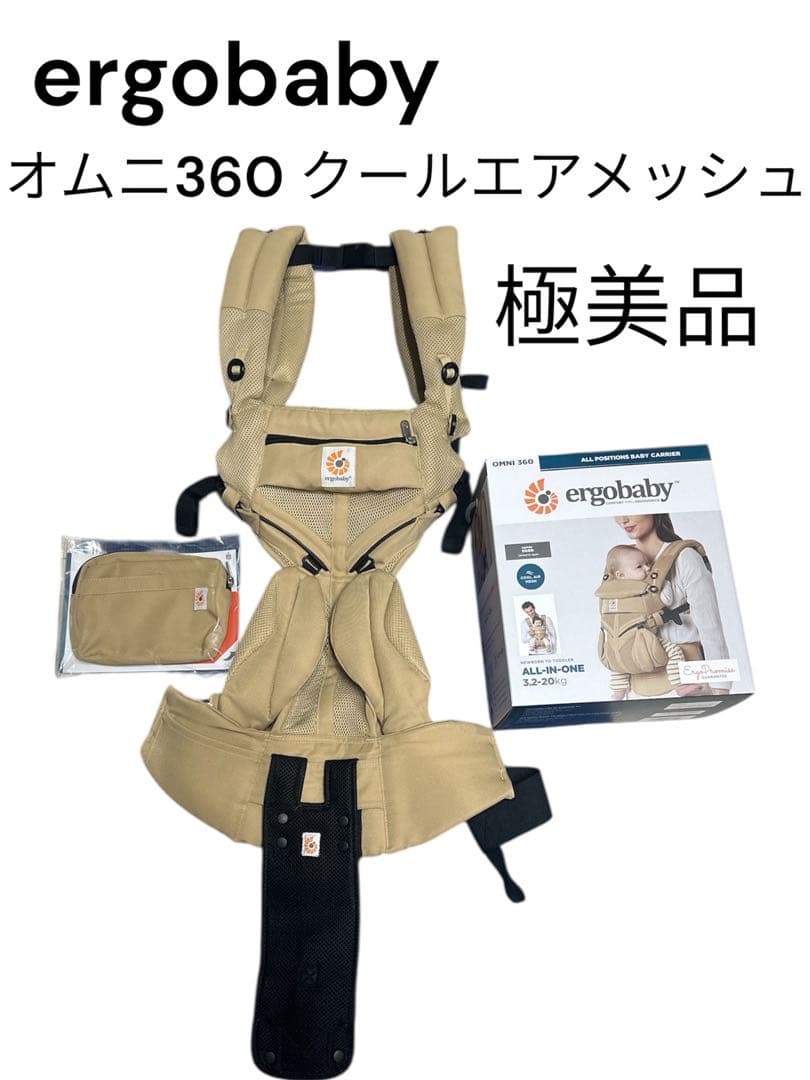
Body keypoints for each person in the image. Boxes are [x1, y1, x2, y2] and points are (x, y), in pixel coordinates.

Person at [612, 514, 730, 697]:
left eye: (631, 509)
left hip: (689, 680)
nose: (623, 519)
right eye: (617, 511)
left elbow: (710, 627)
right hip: (637, 684)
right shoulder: (622, 560)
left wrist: (721, 689)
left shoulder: (684, 558)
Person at [603, 544, 686, 700]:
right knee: (674, 652)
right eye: (639, 566)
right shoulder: (645, 590)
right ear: (620, 575)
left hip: (616, 645)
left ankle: (619, 691)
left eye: (647, 564)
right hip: (643, 644)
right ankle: (680, 686)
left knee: (617, 663)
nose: (648, 568)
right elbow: (666, 600)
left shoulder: (607, 594)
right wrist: (662, 582)